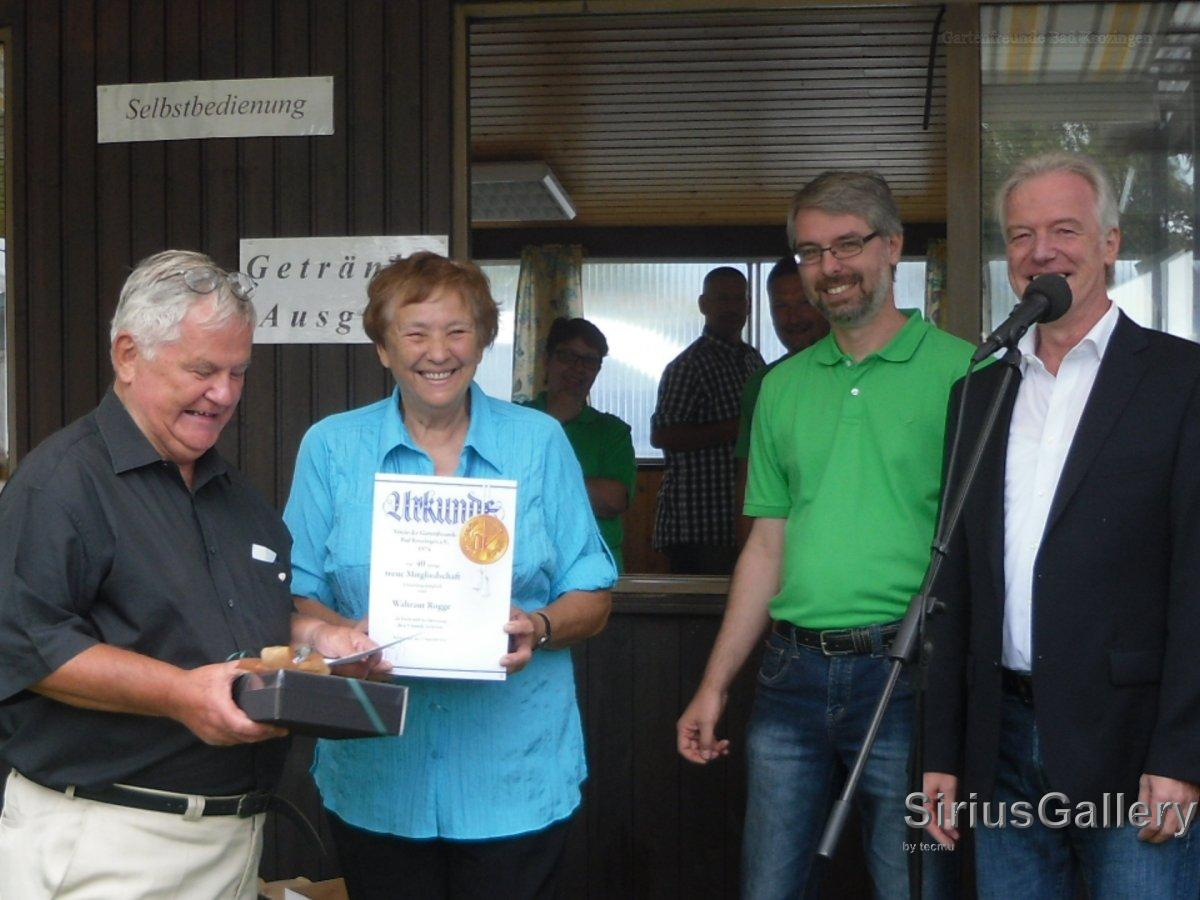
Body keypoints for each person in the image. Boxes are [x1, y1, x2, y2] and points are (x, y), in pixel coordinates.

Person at [0, 250, 382, 899]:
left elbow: (252, 613)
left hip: (233, 845)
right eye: (203, 370)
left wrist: (323, 639)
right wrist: (181, 693)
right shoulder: (61, 483)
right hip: (104, 844)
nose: (225, 394)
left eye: (238, 372)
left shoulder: (237, 498)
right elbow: (25, 642)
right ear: (128, 355)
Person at [283, 252, 617, 900]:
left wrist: (539, 625)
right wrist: (343, 634)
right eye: (415, 333)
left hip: (513, 776)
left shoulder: (540, 442)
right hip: (378, 775)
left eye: (457, 330)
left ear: (484, 340)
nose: (438, 352)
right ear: (383, 348)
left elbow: (594, 592)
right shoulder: (331, 447)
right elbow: (296, 590)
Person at [676, 171, 972, 898]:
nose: (828, 267)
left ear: (892, 246)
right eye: (810, 252)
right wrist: (714, 685)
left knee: (911, 886)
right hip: (790, 677)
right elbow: (765, 546)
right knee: (768, 887)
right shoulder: (781, 387)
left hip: (909, 677)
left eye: (847, 245)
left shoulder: (970, 371)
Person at [922, 153, 1200, 895]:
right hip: (1001, 743)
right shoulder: (978, 394)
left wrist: (1183, 754)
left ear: (1110, 243)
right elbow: (953, 580)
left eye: (1064, 230)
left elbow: (1197, 582)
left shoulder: (1182, 380)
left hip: (1134, 747)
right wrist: (943, 751)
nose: (1041, 251)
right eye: (1021, 235)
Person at [651, 266, 764, 574]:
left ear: (748, 306)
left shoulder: (753, 359)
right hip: (696, 527)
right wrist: (739, 428)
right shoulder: (688, 365)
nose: (731, 308)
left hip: (745, 520)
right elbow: (662, 435)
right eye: (722, 299)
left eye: (738, 299)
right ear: (703, 304)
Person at [520, 316, 636, 572]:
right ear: (546, 360)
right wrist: (554, 422)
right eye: (567, 356)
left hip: (595, 566)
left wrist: (536, 482)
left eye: (589, 361)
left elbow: (612, 501)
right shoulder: (515, 418)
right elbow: (504, 488)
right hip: (527, 563)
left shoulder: (613, 431)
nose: (578, 368)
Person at [733, 255, 830, 540]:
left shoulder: (863, 368)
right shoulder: (765, 384)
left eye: (803, 303)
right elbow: (749, 487)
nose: (793, 317)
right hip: (786, 545)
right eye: (781, 306)